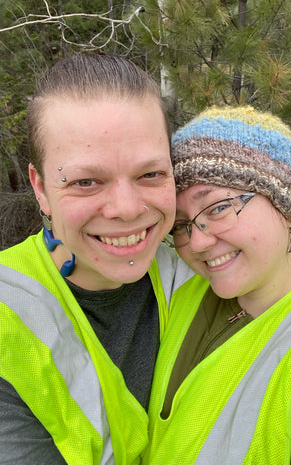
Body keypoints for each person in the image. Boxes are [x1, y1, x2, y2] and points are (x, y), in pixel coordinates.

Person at [0, 53, 193, 465]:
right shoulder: (7, 317)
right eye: (86, 181)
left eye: (150, 174)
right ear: (40, 187)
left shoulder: (204, 273)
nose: (126, 208)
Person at [144, 106, 291, 465]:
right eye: (180, 225)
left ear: (285, 205)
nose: (196, 244)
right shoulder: (185, 290)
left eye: (216, 208)